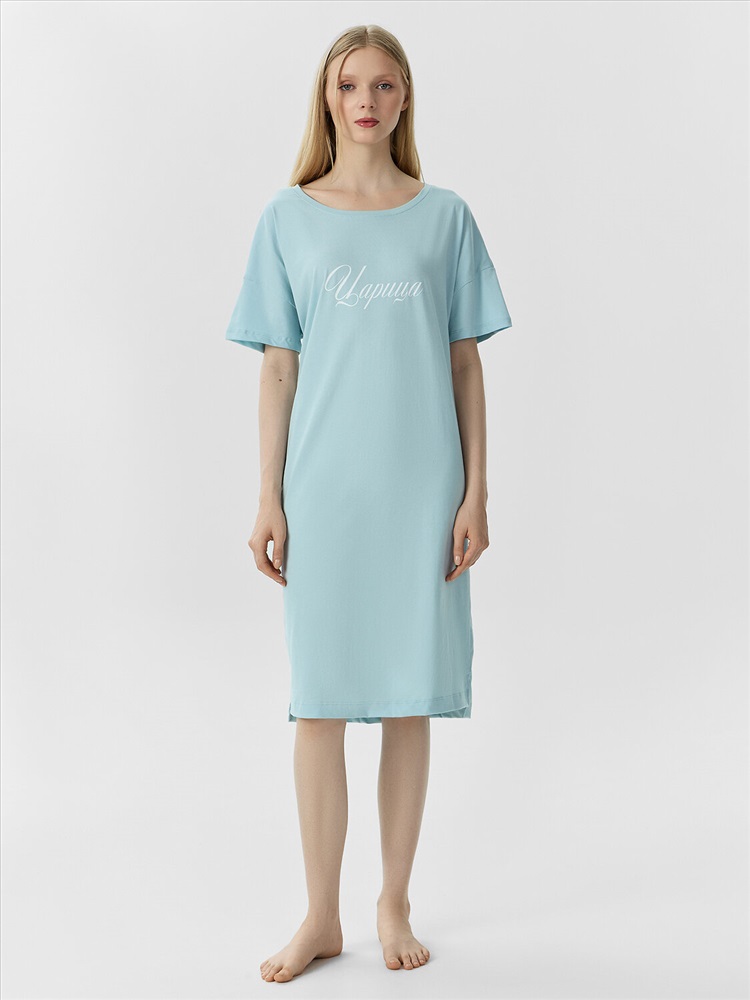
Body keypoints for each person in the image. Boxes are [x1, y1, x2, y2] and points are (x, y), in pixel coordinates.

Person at [225, 23, 513, 984]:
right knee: (318, 704)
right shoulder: (287, 218)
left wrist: (475, 490)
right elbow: (278, 368)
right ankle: (320, 914)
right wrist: (267, 497)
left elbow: (465, 363)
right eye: (351, 85)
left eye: (385, 85)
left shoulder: (445, 219)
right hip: (325, 493)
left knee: (404, 700)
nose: (367, 101)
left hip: (421, 491)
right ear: (328, 96)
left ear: (405, 99)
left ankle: (393, 900)